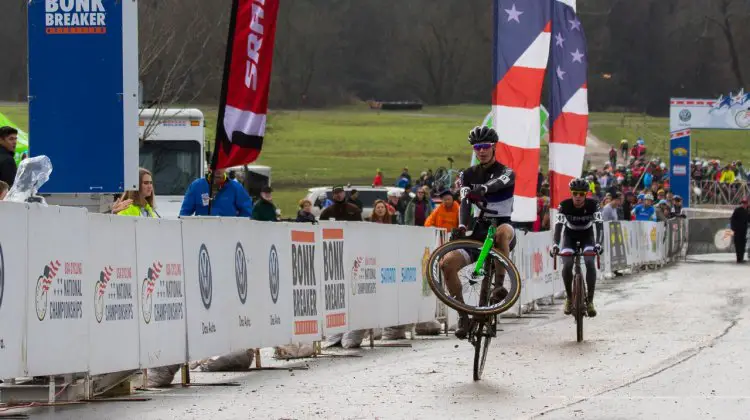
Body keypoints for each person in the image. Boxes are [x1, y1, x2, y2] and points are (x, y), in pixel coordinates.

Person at [438, 126, 516, 340]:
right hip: (478, 232)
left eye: (485, 147)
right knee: (447, 263)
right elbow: (464, 202)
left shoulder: (506, 171)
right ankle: (463, 314)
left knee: (501, 234)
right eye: (477, 147)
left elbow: (498, 183)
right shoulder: (467, 175)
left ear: (494, 147)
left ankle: (499, 285)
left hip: (503, 226)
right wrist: (462, 226)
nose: (481, 151)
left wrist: (482, 189)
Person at [552, 178, 604, 317]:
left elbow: (599, 226)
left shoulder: (594, 205)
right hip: (569, 237)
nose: (578, 197)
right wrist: (555, 244)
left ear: (586, 194)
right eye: (575, 193)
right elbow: (558, 227)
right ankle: (569, 298)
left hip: (587, 236)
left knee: (589, 261)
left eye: (581, 194)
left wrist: (599, 244)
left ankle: (590, 301)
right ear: (571, 193)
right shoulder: (564, 205)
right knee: (567, 264)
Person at [179, 168, 253, 217]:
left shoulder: (236, 187)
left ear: (226, 167)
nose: (218, 170)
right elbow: (185, 213)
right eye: (215, 166)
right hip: (202, 234)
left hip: (228, 234)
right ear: (209, 167)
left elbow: (247, 211)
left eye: (222, 166)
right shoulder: (196, 186)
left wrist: (236, 225)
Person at [730, 198, 749, 263]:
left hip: (744, 231)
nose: (744, 205)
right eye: (743, 203)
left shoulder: (747, 211)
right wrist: (733, 228)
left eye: (745, 203)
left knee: (742, 245)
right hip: (737, 231)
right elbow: (732, 220)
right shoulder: (737, 210)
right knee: (738, 245)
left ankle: (741, 258)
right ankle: (739, 259)